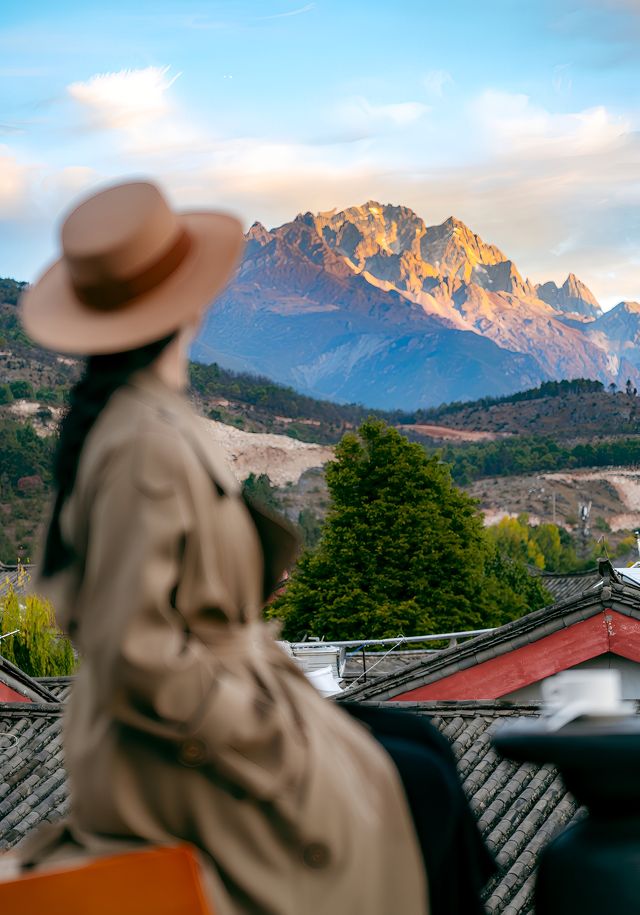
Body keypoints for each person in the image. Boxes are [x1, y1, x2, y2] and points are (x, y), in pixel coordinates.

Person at [17, 181, 429, 914]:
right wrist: (249, 727)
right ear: (187, 305)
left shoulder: (130, 422)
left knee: (410, 751)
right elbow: (132, 647)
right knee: (416, 785)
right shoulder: (144, 441)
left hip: (186, 719)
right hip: (176, 748)